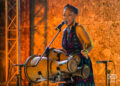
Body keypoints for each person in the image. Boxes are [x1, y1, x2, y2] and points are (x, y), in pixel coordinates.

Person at [61, 4, 95, 86]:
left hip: (81, 64)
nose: (66, 17)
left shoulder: (79, 28)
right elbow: (66, 49)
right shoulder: (64, 31)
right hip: (69, 64)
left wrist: (86, 51)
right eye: (64, 15)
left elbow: (89, 44)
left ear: (75, 16)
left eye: (69, 15)